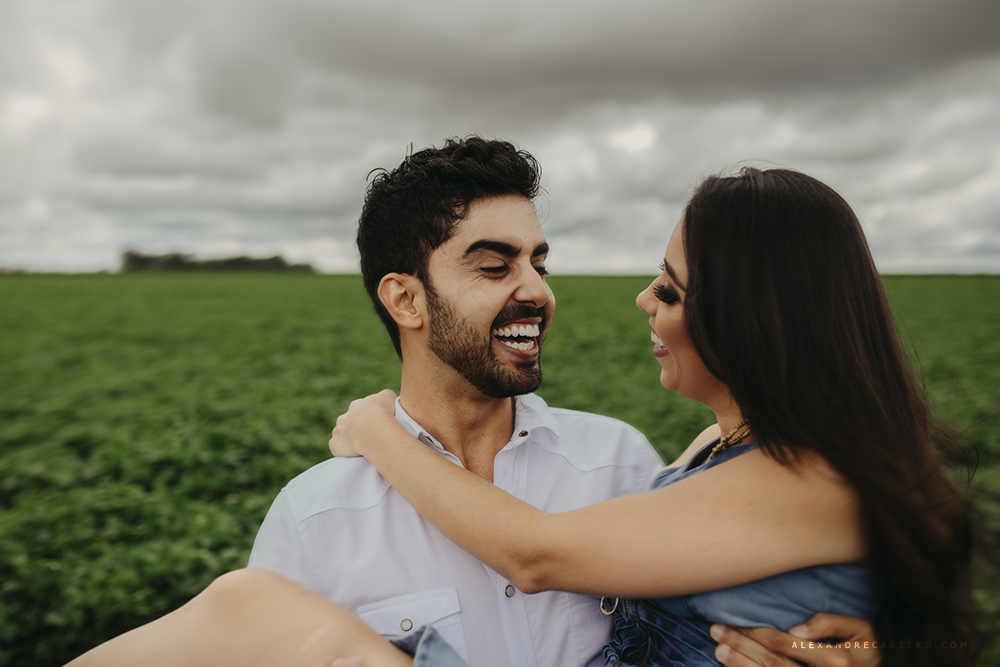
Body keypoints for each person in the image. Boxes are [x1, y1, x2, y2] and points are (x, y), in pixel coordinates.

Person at [65, 141, 879, 667]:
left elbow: (548, 556)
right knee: (248, 605)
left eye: (539, 260)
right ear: (406, 300)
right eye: (495, 266)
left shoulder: (625, 462)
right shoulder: (316, 515)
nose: (537, 289)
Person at [328, 166, 979, 666]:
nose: (643, 299)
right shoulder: (712, 449)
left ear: (747, 320)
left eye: (669, 288)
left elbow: (534, 554)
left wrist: (381, 432)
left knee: (246, 606)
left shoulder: (812, 475)